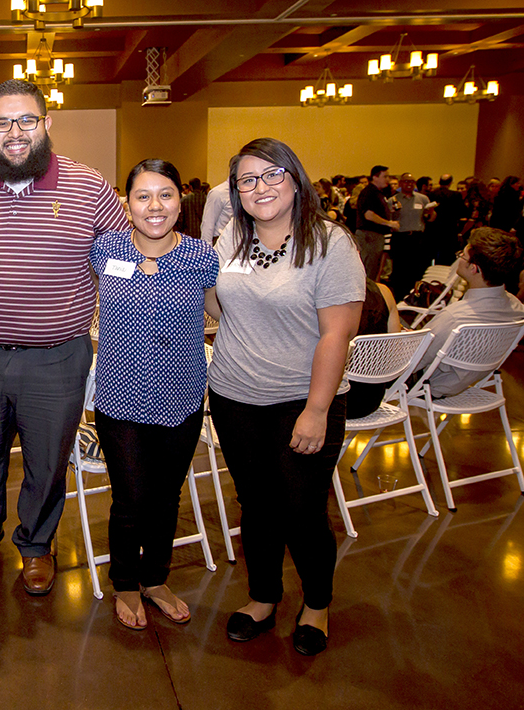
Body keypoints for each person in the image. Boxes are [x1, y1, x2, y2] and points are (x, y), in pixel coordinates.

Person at [0, 79, 129, 595]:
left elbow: (121, 269)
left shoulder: (90, 189)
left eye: (26, 120)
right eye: (2, 122)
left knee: (47, 460)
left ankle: (37, 544)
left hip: (58, 357)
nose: (15, 132)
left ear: (47, 124)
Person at [206, 137, 364, 656]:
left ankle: (317, 602)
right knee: (255, 504)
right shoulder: (231, 236)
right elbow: (219, 305)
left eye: (272, 175)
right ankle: (263, 597)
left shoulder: (329, 243)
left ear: (296, 181)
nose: (260, 188)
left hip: (302, 400)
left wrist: (316, 410)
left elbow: (335, 335)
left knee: (301, 508)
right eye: (247, 180)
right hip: (233, 396)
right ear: (236, 193)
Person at [89, 159, 218, 629]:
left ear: (181, 201)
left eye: (165, 194)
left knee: (167, 495)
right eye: (143, 196)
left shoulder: (202, 257)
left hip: (181, 396)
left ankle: (156, 578)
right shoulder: (104, 251)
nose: (154, 206)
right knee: (129, 497)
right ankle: (125, 582)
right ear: (128, 203)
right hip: (120, 397)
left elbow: (222, 314)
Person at [411, 227, 524, 398]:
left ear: (474, 269)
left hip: (430, 386)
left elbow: (414, 360)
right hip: (470, 381)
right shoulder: (516, 308)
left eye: (462, 255)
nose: (459, 259)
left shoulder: (454, 317)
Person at [345, 279, 402, 420]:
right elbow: (395, 355)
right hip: (370, 398)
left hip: (332, 401)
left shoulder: (320, 294)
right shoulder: (383, 292)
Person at [388, 172, 433, 300]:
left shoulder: (422, 199)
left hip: (417, 238)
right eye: (406, 181)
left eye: (411, 182)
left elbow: (431, 218)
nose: (409, 184)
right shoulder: (393, 200)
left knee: (417, 269)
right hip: (400, 238)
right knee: (399, 269)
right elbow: (387, 219)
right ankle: (399, 297)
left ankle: (415, 296)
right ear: (401, 183)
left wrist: (431, 212)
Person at [355, 164, 398, 281]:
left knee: (374, 269)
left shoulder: (379, 193)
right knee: (368, 269)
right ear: (375, 177)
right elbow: (369, 215)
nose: (388, 180)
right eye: (385, 176)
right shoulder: (369, 192)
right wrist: (389, 223)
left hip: (376, 236)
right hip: (369, 235)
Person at [427, 174, 467, 265]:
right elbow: (462, 211)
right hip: (450, 228)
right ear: (451, 183)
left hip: (434, 228)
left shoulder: (431, 194)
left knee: (432, 253)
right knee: (448, 255)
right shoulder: (456, 195)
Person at [200, 179, 232, 244]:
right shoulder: (218, 193)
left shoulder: (244, 192)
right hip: (220, 241)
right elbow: (208, 223)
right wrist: (207, 250)